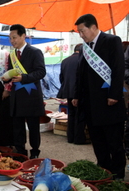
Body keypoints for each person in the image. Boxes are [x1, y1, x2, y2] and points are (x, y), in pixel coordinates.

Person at [72, 14, 127, 179]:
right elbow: (80, 74)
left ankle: (117, 175)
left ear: (93, 27)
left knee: (114, 142)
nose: (81, 35)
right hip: (90, 104)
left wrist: (114, 95)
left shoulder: (111, 41)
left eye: (82, 31)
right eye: (79, 32)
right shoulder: (85, 48)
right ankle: (104, 170)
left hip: (109, 102)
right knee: (98, 141)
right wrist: (76, 95)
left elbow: (118, 69)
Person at [2, 24, 46, 159]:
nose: (12, 41)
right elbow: (10, 71)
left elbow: (41, 72)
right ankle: (20, 151)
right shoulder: (12, 55)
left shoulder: (34, 52)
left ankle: (34, 151)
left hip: (31, 95)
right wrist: (6, 78)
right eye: (10, 38)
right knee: (18, 127)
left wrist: (24, 78)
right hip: (17, 96)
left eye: (14, 37)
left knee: (33, 127)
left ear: (23, 36)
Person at [57, 43, 88, 144]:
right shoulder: (83, 60)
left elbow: (61, 77)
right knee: (80, 115)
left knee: (71, 114)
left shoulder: (65, 61)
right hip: (80, 92)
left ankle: (70, 137)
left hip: (68, 91)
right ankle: (79, 139)